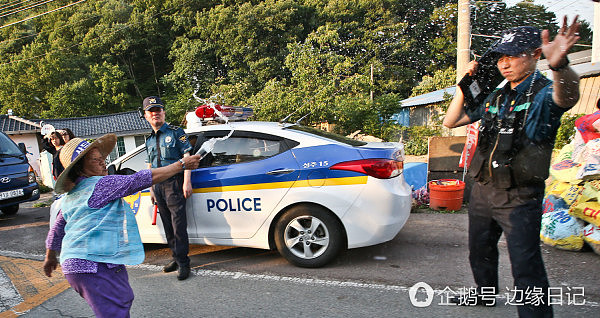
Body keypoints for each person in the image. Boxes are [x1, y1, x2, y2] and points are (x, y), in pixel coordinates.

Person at [443, 17, 581, 317]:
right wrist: (463, 87)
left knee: (525, 266)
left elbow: (567, 96)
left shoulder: (543, 92)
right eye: (501, 57)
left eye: (513, 56)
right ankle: (484, 295)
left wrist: (560, 66)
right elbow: (451, 121)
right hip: (483, 189)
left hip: (519, 196)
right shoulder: (498, 93)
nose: (505, 64)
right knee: (480, 252)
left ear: (535, 54)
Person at [43, 134, 201, 317]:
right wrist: (181, 165)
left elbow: (57, 229)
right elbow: (139, 179)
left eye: (103, 159)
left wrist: (50, 257)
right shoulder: (101, 185)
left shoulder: (70, 197)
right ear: (80, 169)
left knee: (120, 302)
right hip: (93, 264)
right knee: (115, 311)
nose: (103, 163)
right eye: (96, 160)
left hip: (75, 265)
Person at [143, 96, 194, 280]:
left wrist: (186, 181)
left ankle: (183, 262)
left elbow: (187, 156)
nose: (155, 114)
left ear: (164, 113)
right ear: (146, 116)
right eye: (151, 111)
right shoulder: (148, 139)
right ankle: (175, 256)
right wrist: (150, 188)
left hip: (174, 184)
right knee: (167, 225)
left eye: (158, 110)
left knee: (178, 225)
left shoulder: (175, 132)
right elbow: (149, 165)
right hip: (157, 186)